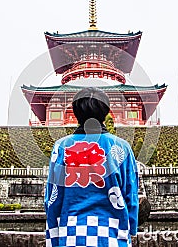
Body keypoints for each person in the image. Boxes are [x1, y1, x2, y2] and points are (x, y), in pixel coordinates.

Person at [44, 87, 139, 247]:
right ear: (106, 112)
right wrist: (131, 230)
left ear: (75, 113)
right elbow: (131, 195)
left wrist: (54, 233)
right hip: (113, 235)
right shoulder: (122, 147)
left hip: (71, 235)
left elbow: (53, 196)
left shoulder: (61, 147)